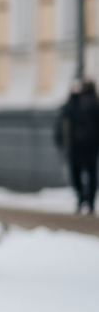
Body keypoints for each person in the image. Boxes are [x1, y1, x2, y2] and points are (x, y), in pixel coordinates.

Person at [58, 79, 99, 214]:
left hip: (89, 147)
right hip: (77, 147)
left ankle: (88, 201)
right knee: (78, 174)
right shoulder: (74, 103)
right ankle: (83, 199)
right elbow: (63, 119)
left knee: (89, 174)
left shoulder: (93, 104)